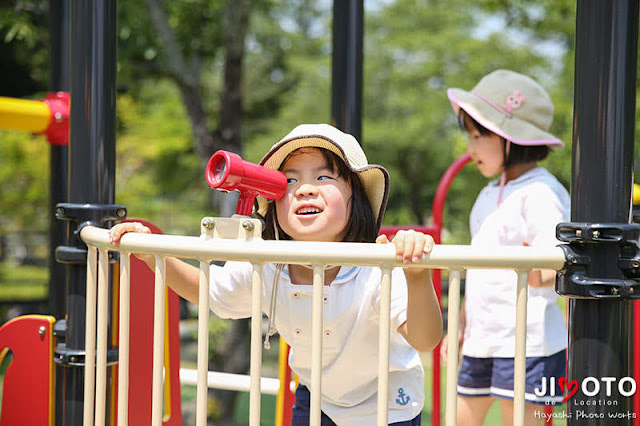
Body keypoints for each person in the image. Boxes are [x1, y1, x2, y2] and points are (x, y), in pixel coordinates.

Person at [109, 123, 443, 426]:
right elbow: (209, 292)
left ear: (355, 195)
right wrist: (154, 254)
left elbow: (425, 339)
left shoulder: (376, 264)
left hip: (386, 407)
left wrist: (416, 276)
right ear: (273, 206)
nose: (305, 189)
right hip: (318, 400)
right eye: (290, 181)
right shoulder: (269, 263)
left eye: (324, 177)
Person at [441, 70, 569, 426]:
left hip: (529, 342)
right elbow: (479, 270)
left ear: (510, 138)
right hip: (482, 339)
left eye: (478, 135)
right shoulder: (485, 196)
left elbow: (552, 269)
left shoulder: (542, 193)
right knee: (460, 419)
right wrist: (460, 323)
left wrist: (531, 263)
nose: (470, 147)